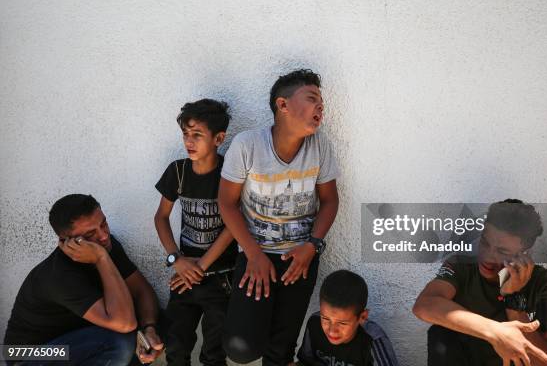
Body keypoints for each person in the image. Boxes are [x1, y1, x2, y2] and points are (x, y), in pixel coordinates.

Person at [219, 69, 340, 365]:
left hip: (300, 258)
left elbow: (329, 200)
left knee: (281, 349)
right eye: (312, 99)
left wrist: (312, 246)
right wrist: (253, 255)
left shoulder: (320, 145)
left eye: (321, 102)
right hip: (254, 253)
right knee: (241, 348)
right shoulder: (248, 145)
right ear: (282, 105)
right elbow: (227, 203)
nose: (320, 107)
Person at [3, 194, 164, 365]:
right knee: (120, 342)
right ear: (67, 242)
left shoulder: (106, 244)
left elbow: (141, 291)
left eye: (104, 224)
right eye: (90, 234)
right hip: (26, 355)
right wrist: (102, 259)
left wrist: (150, 328)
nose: (103, 236)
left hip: (76, 342)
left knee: (160, 325)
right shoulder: (60, 276)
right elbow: (125, 324)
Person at [412, 199, 547, 366]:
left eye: (502, 251)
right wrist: (495, 333)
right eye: (485, 242)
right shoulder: (462, 267)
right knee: (440, 333)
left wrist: (513, 298)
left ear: (525, 253)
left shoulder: (543, 283)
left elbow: (546, 362)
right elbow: (424, 305)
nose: (488, 256)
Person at [154, 98, 238, 366]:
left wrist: (201, 265)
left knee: (214, 353)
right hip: (184, 274)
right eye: (186, 134)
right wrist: (175, 259)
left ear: (218, 138)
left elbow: (233, 229)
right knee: (176, 347)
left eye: (197, 135)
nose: (189, 141)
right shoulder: (178, 172)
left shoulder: (230, 174)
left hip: (220, 277)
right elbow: (161, 217)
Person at [293, 270, 399, 366]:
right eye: (325, 319)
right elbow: (305, 362)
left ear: (362, 317)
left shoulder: (373, 339)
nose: (332, 331)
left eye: (342, 323)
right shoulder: (314, 322)